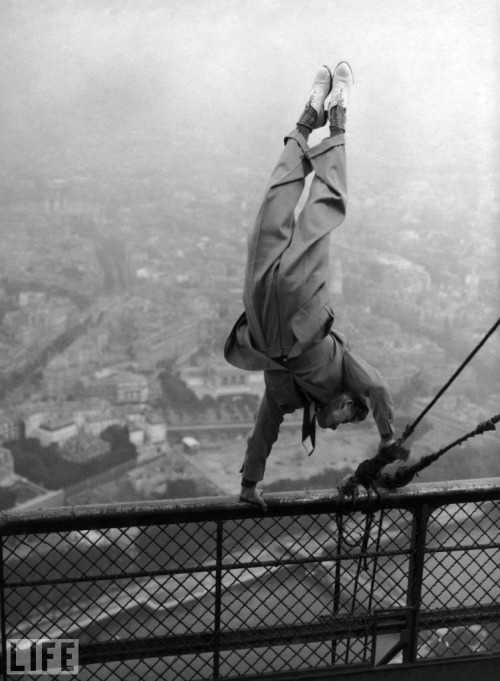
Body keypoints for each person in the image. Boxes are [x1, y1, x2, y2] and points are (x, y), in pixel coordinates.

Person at [224, 62, 397, 511]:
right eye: (343, 419)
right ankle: (336, 116)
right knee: (321, 213)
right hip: (303, 311)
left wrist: (249, 485)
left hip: (262, 321)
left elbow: (262, 432)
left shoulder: (286, 401)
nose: (335, 425)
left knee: (267, 216)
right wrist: (386, 439)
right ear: (347, 403)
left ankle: (306, 120)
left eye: (338, 426)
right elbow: (377, 388)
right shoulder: (345, 374)